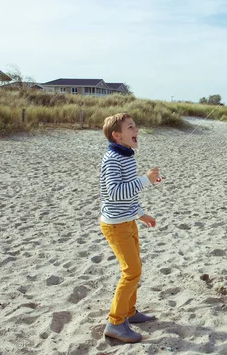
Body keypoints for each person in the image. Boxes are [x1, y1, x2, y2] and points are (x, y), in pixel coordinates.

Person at [99, 113, 160, 343]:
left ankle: (130, 311)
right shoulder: (112, 159)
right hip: (115, 226)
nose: (137, 131)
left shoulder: (127, 155)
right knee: (131, 272)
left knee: (136, 268)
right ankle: (115, 322)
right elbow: (114, 193)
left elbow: (128, 192)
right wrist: (145, 180)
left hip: (128, 221)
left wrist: (140, 213)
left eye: (135, 126)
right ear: (117, 135)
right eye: (131, 127)